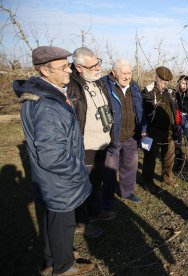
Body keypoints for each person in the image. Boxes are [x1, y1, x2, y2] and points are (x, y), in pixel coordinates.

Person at [13, 46, 94, 274]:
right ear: (44, 71)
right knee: (63, 224)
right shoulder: (48, 105)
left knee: (53, 220)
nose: (69, 70)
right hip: (60, 179)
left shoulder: (47, 95)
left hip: (50, 179)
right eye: (63, 67)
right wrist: (78, 170)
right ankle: (64, 266)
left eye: (68, 64)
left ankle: (53, 258)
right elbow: (52, 156)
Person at [67, 47, 116, 239]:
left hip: (102, 143)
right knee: (82, 185)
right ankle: (82, 222)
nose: (98, 68)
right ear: (79, 67)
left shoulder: (99, 83)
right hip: (85, 145)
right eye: (93, 65)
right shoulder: (72, 86)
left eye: (98, 62)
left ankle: (95, 211)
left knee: (96, 182)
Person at [101, 59, 147, 211]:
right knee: (109, 171)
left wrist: (143, 128)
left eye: (129, 73)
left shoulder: (134, 86)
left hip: (132, 135)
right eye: (124, 73)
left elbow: (140, 109)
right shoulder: (104, 85)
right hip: (113, 136)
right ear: (114, 73)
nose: (127, 76)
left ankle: (127, 192)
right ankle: (107, 200)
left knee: (130, 167)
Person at [141, 66, 178, 188]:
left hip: (169, 131)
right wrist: (144, 131)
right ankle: (147, 181)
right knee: (150, 157)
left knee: (169, 155)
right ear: (156, 77)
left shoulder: (171, 93)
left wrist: (175, 127)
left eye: (167, 81)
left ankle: (167, 177)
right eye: (163, 80)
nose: (165, 83)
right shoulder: (147, 91)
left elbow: (175, 111)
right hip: (152, 131)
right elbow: (142, 113)